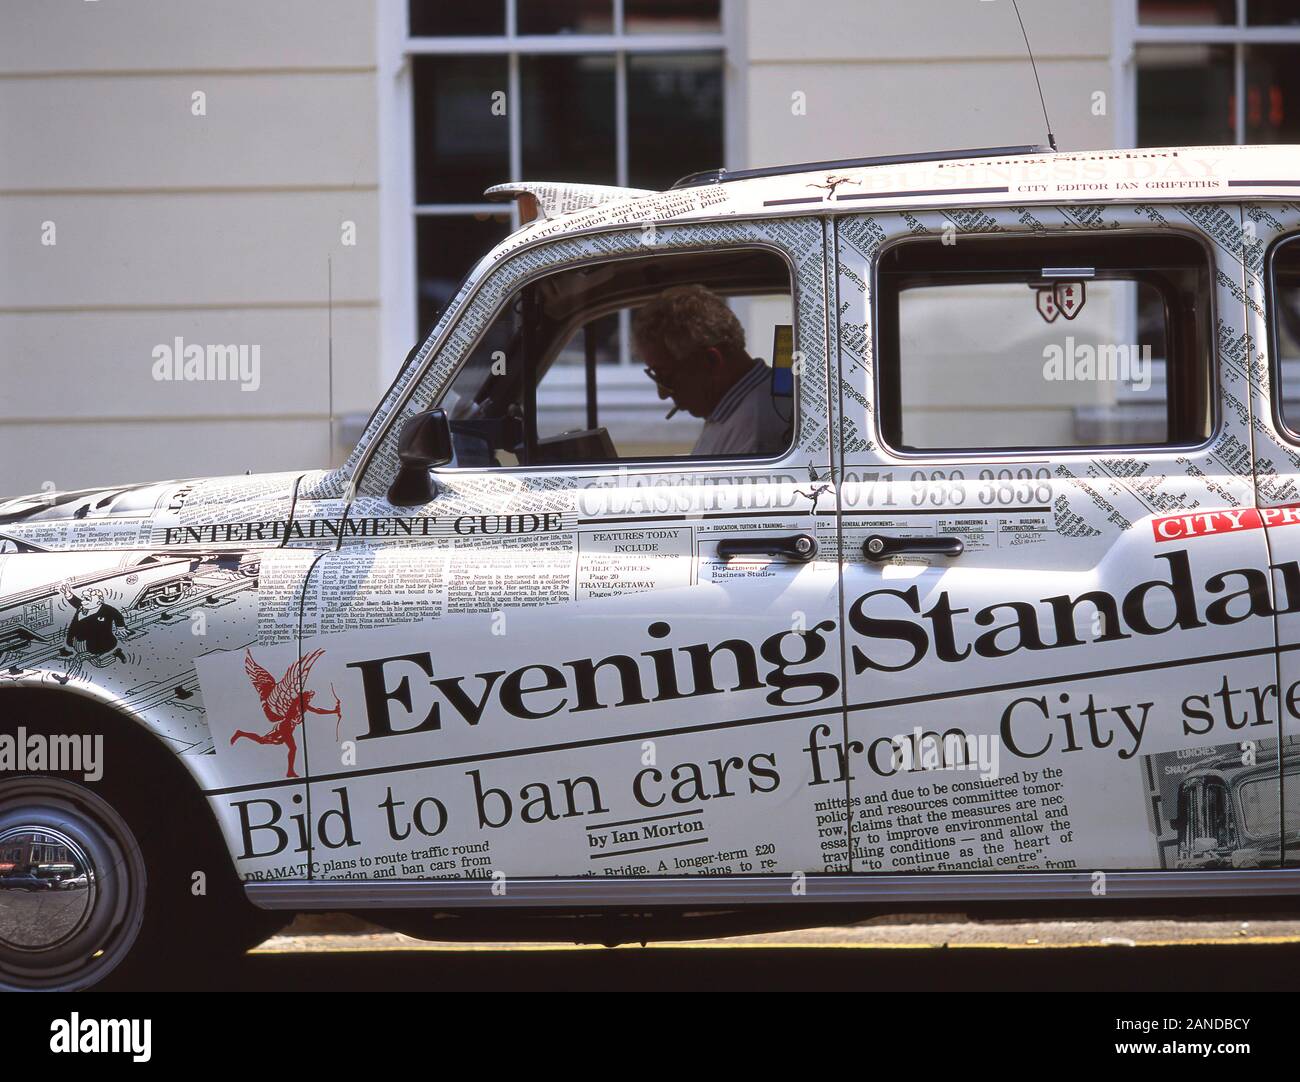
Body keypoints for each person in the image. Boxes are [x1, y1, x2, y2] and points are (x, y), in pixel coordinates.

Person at [632, 285, 790, 456]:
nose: (663, 394)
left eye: (665, 376)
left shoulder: (755, 434)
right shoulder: (734, 413)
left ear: (712, 361)